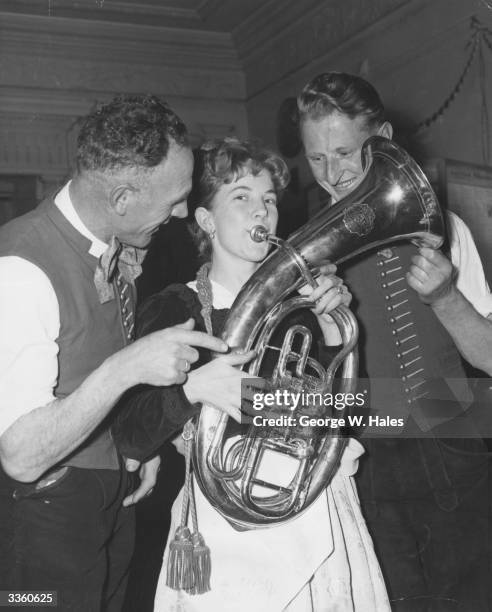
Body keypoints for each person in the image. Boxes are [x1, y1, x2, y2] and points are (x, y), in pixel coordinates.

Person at [113, 137, 391, 612]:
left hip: (314, 510)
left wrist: (334, 332)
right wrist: (193, 392)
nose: (261, 212)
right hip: (225, 531)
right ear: (205, 220)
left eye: (268, 200)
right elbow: (130, 432)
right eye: (240, 197)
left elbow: (347, 418)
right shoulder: (175, 308)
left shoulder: (302, 308)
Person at [0, 95, 246, 611]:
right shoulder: (21, 270)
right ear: (122, 198)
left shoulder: (114, 244)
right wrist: (127, 369)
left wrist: (137, 448)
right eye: (174, 199)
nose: (182, 212)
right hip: (48, 518)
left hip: (112, 499)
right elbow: (20, 457)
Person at [297, 72, 492, 610]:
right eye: (316, 159)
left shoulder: (447, 226)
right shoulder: (305, 253)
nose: (332, 174)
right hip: (365, 456)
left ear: (383, 138)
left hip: (455, 442)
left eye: (344, 151)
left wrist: (447, 297)